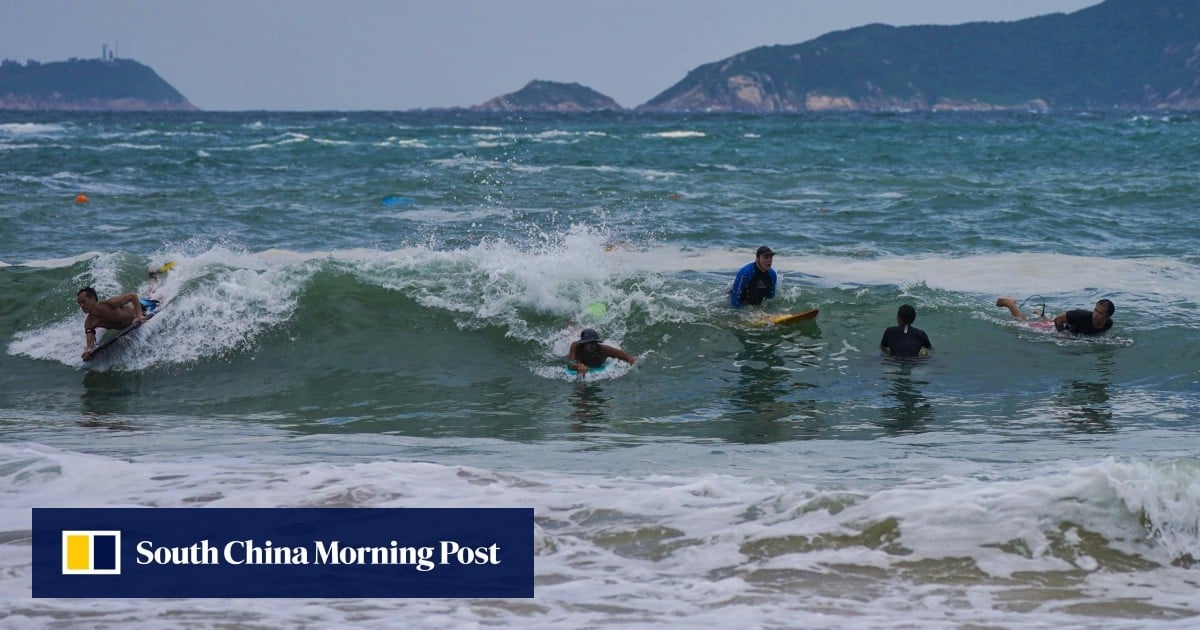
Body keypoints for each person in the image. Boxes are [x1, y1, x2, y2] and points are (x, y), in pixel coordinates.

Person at [76, 287, 151, 360]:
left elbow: (132, 296)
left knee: (155, 295)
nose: (81, 306)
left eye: (83, 301)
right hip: (127, 325)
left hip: (144, 307)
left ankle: (153, 279)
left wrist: (139, 315)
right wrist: (88, 351)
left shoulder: (110, 304)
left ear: (92, 299)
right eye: (79, 303)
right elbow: (90, 344)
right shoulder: (89, 323)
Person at [995, 296, 1115, 335]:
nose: (1096, 315)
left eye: (1101, 313)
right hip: (1060, 324)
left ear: (1107, 317)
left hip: (1069, 325)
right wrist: (1061, 333)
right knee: (1023, 325)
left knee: (1045, 321)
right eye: (1095, 310)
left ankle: (1042, 317)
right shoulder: (1080, 315)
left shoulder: (1108, 324)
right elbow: (1058, 319)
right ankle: (1010, 304)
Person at [567, 328, 635, 375]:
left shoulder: (605, 350)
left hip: (597, 365)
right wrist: (578, 366)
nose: (592, 345)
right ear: (583, 343)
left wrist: (630, 370)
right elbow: (569, 363)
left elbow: (629, 358)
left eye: (594, 343)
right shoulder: (576, 347)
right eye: (588, 343)